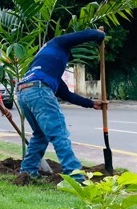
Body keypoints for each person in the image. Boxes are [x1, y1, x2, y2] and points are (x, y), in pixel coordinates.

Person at [16, 29, 106, 181]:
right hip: (39, 91)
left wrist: (91, 104)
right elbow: (83, 35)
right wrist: (99, 35)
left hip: (23, 93)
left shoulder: (44, 67)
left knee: (40, 135)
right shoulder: (58, 43)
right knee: (59, 134)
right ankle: (76, 176)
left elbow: (66, 94)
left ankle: (27, 172)